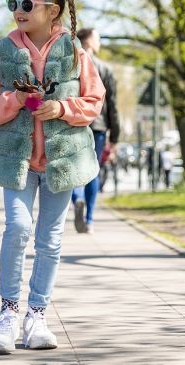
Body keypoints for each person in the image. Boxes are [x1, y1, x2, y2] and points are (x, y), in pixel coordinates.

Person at [0, 0, 104, 354]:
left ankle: (37, 314)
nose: (18, 12)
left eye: (26, 5)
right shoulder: (4, 51)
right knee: (17, 228)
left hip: (61, 164)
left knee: (50, 240)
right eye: (13, 4)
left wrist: (61, 108)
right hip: (17, 162)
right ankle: (7, 312)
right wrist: (14, 100)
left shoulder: (76, 54)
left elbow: (94, 102)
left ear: (53, 10)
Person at [69, 28, 120, 233]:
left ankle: (77, 198)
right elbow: (112, 105)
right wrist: (115, 136)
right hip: (97, 126)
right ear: (89, 41)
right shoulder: (104, 69)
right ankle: (89, 219)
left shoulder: (70, 63)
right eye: (98, 38)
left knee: (71, 168)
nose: (99, 43)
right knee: (92, 171)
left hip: (72, 122)